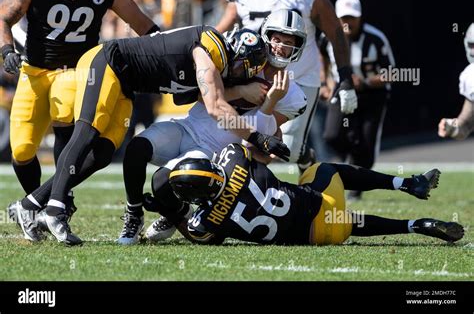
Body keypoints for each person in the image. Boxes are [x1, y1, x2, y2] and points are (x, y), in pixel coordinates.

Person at [10, 25, 288, 245]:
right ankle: (55, 209)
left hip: (125, 85)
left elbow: (201, 96)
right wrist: (258, 138)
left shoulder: (214, 66)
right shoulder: (210, 50)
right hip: (107, 62)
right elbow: (216, 106)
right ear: (236, 56)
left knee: (103, 153)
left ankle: (30, 204)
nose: (239, 77)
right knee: (86, 132)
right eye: (241, 70)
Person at [117, 9, 308, 245]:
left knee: (162, 182)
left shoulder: (292, 94)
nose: (279, 47)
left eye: (288, 42)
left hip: (215, 149)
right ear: (266, 35)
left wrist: (270, 101)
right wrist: (239, 91)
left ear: (297, 48)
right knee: (137, 148)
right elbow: (198, 95)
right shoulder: (242, 51)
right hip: (189, 126)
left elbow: (260, 140)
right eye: (276, 39)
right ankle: (134, 215)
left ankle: (179, 212)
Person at [1, 0, 158, 216]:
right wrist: (7, 50)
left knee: (63, 111)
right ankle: (37, 204)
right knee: (21, 150)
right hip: (35, 69)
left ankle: (59, 196)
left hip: (78, 68)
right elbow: (4, 18)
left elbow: (140, 22)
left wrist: (167, 48)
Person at [163, 143, 464, 246]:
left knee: (349, 222)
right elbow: (252, 150)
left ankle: (414, 226)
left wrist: (172, 212)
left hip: (319, 235)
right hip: (321, 202)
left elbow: (207, 237)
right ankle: (407, 184)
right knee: (325, 168)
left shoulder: (204, 224)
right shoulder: (233, 158)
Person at [216, 0, 357, 173]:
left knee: (285, 149)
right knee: (244, 137)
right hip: (254, 78)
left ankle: (304, 159)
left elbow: (335, 32)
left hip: (299, 78)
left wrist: (345, 79)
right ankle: (247, 190)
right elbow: (224, 29)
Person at [321, 0, 396, 201]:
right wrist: (324, 83)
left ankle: (356, 186)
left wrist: (365, 82)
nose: (348, 23)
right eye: (343, 18)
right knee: (332, 135)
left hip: (372, 94)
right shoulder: (328, 37)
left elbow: (393, 73)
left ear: (360, 17)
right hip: (342, 89)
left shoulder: (376, 39)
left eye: (352, 18)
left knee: (366, 146)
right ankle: (348, 155)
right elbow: (321, 58)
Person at [438, 23, 474, 140]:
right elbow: (465, 124)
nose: (473, 51)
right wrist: (451, 126)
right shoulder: (471, 76)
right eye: (472, 45)